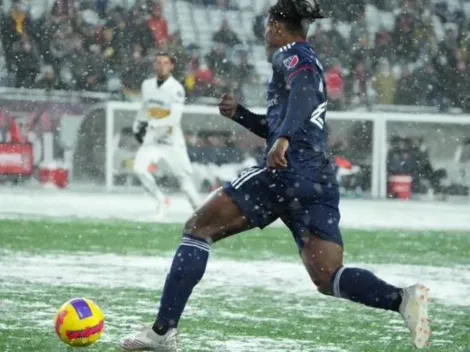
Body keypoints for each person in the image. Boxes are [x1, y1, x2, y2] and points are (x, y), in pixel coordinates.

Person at [120, 1, 430, 350]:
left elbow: (304, 93)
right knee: (328, 276)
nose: (265, 32)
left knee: (198, 229)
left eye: (268, 24)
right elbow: (282, 121)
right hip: (317, 178)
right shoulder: (303, 59)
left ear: (279, 27)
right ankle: (402, 299)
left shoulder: (292, 55)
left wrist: (284, 139)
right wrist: (241, 115)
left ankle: (162, 333)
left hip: (287, 171)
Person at [133, 52, 201, 217]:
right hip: (152, 140)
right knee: (139, 169)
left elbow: (174, 118)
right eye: (158, 62)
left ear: (171, 66)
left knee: (184, 182)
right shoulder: (146, 85)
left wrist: (153, 124)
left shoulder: (176, 89)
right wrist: (137, 125)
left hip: (172, 141)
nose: (161, 66)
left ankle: (200, 212)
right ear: (154, 65)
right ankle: (161, 200)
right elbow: (144, 108)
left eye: (165, 63)